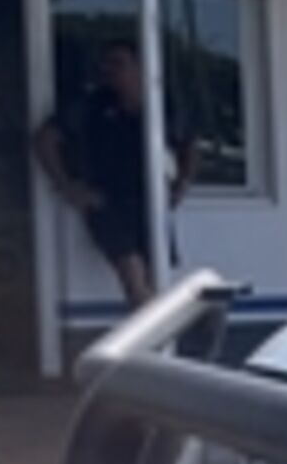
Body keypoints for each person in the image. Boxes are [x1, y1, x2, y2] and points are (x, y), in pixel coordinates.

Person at [33, 40, 190, 309]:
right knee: (133, 279)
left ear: (140, 67)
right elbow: (45, 139)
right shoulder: (92, 104)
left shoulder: (162, 105)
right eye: (105, 64)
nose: (109, 71)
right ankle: (150, 342)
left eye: (118, 63)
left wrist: (181, 184)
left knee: (158, 280)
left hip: (150, 199)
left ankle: (161, 340)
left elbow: (190, 145)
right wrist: (67, 186)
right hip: (108, 201)